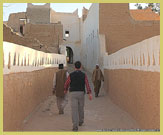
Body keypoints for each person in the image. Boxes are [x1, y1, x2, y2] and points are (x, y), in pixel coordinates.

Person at [64, 61, 92, 131]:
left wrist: (65, 89)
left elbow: (67, 83)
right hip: (81, 93)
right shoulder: (84, 75)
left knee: (74, 110)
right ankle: (81, 121)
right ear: (80, 67)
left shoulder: (71, 75)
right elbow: (87, 84)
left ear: (75, 67)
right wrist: (89, 93)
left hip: (73, 93)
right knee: (81, 108)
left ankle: (75, 125)